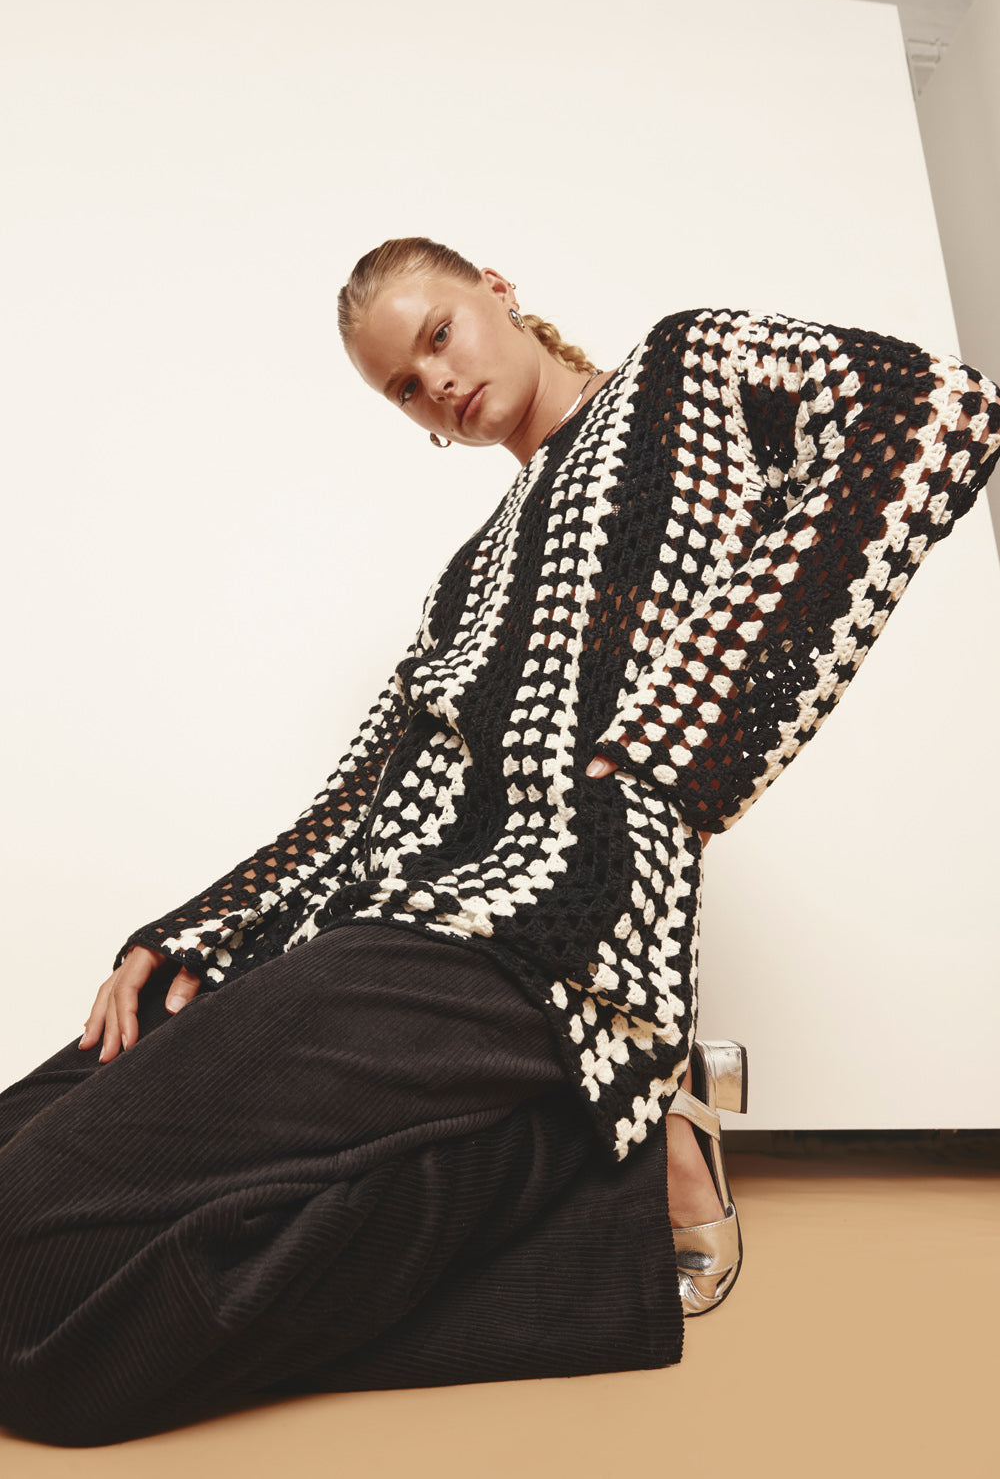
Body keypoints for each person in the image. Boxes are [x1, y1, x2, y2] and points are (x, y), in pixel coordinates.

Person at [1, 236, 997, 1448]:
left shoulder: (681, 370)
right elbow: (363, 791)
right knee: (27, 1173)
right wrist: (200, 929)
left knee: (43, 1309)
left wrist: (692, 723)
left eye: (438, 337)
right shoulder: (465, 578)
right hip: (392, 923)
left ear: (498, 291)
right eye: (404, 389)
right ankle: (602, 1153)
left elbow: (937, 411)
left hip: (549, 929)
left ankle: (605, 1139)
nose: (437, 385)